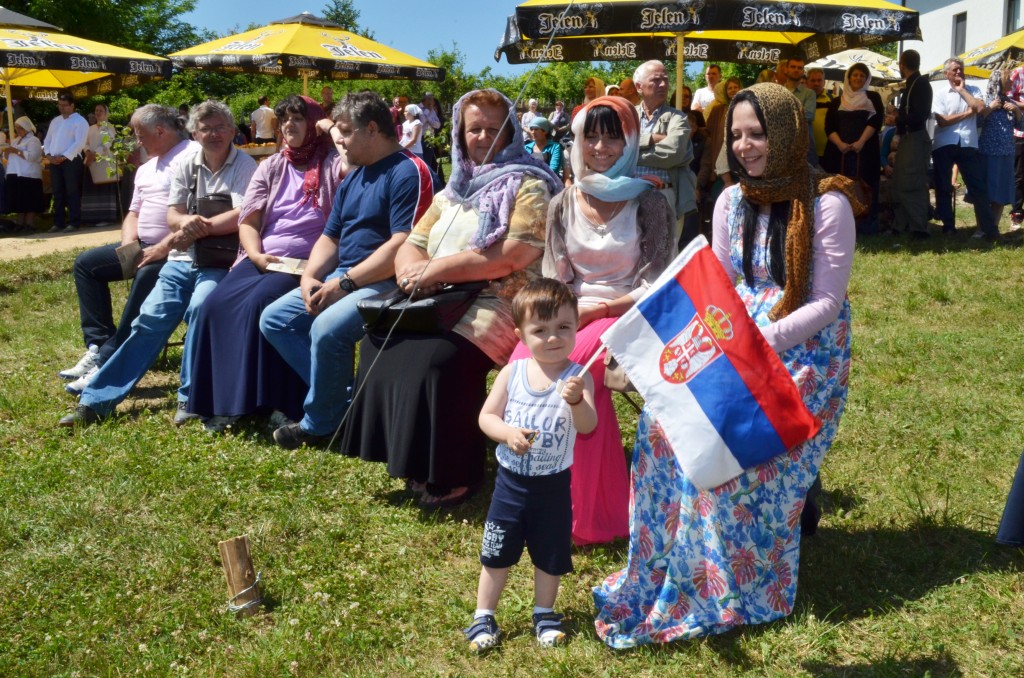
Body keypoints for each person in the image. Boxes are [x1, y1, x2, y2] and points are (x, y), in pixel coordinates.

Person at [594, 82, 861, 647]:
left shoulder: (827, 203)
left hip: (804, 349)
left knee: (731, 451)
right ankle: (667, 568)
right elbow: (716, 283)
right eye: (736, 135)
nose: (744, 146)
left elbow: (825, 303)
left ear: (786, 133)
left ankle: (732, 585)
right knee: (663, 427)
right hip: (732, 334)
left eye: (757, 134)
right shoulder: (731, 200)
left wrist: (756, 342)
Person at [338, 89, 560, 508]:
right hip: (439, 296)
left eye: (494, 129)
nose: (483, 137)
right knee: (379, 343)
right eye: (474, 129)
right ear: (460, 133)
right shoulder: (452, 190)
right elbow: (412, 242)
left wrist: (435, 271)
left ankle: (456, 472)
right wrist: (411, 273)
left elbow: (513, 255)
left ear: (511, 132)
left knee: (440, 359)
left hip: (502, 298)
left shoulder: (529, 184)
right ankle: (414, 459)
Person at [516, 95, 675, 545]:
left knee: (574, 374)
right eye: (592, 136)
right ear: (578, 141)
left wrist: (599, 310)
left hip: (631, 315)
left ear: (630, 143)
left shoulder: (649, 202)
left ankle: (589, 515)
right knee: (523, 360)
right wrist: (565, 317)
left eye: (612, 137)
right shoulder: (563, 202)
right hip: (571, 312)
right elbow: (555, 276)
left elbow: (656, 283)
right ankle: (535, 494)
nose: (601, 147)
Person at [58, 101, 257, 427]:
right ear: (195, 132)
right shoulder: (186, 163)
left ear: (233, 131)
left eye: (221, 127)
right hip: (180, 259)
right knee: (147, 321)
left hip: (219, 262)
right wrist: (187, 223)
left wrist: (200, 226)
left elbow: (244, 214)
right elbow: (173, 214)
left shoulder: (245, 165)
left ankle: (190, 398)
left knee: (201, 309)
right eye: (206, 128)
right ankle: (95, 401)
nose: (214, 134)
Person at [260, 91, 437, 449]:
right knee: (274, 320)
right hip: (344, 277)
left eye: (343, 130)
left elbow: (404, 243)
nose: (337, 139)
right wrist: (310, 276)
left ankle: (320, 425)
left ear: (371, 128)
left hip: (389, 282)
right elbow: (330, 237)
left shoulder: (409, 171)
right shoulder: (355, 177)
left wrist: (343, 283)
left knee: (326, 328)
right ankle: (344, 406)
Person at [186, 96, 348, 433]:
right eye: (284, 119)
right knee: (214, 305)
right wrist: (256, 254)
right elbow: (248, 220)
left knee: (261, 303)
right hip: (265, 257)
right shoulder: (272, 165)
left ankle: (279, 401)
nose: (289, 125)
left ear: (314, 124)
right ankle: (224, 402)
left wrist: (331, 127)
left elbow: (356, 162)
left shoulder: (333, 164)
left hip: (309, 261)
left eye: (298, 118)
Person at [463, 279, 597, 653]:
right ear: (521, 335)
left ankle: (544, 613)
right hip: (510, 485)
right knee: (496, 552)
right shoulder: (513, 373)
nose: (553, 337)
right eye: (540, 330)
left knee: (551, 554)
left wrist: (577, 401)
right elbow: (486, 417)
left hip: (553, 486)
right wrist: (507, 433)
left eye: (563, 327)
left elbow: (589, 426)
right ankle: (483, 615)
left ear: (577, 327)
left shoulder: (578, 377)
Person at [58, 105, 193, 395]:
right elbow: (133, 213)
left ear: (160, 130)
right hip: (143, 245)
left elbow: (196, 216)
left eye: (139, 134)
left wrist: (161, 249)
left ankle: (108, 360)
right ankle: (99, 344)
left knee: (147, 275)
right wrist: (128, 246)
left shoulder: (191, 156)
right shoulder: (146, 168)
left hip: (179, 249)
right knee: (87, 265)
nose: (136, 141)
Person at [932, 58, 1000, 240]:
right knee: (943, 186)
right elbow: (942, 121)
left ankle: (989, 230)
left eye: (960, 69)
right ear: (946, 73)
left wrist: (962, 90)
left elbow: (980, 107)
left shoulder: (973, 90)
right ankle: (948, 226)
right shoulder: (940, 94)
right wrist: (968, 113)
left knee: (978, 187)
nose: (958, 72)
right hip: (944, 142)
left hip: (968, 143)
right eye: (954, 70)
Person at [633, 60, 697, 246]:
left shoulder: (678, 118)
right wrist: (652, 138)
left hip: (665, 194)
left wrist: (633, 155)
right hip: (629, 195)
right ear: (639, 87)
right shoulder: (627, 115)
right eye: (656, 80)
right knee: (631, 253)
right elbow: (618, 146)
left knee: (665, 254)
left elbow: (673, 153)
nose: (663, 84)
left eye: (666, 80)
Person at [823, 63, 884, 233]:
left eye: (862, 76)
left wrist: (861, 142)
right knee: (839, 189)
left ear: (867, 79)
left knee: (865, 188)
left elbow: (876, 121)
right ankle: (839, 225)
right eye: (855, 75)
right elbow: (829, 127)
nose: (858, 78)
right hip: (839, 154)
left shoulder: (873, 98)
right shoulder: (836, 101)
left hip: (865, 153)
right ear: (848, 77)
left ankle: (865, 226)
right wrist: (840, 144)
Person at [892, 49, 933, 239]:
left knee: (912, 182)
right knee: (900, 181)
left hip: (915, 138)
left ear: (902, 64)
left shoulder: (921, 84)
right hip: (909, 138)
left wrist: (896, 119)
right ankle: (901, 225)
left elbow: (920, 115)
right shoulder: (913, 83)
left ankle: (919, 228)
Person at [979, 70, 1022, 229]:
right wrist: (990, 108)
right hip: (988, 153)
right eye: (1008, 80)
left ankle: (994, 228)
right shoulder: (986, 101)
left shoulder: (1009, 102)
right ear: (999, 82)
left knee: (1001, 192)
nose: (1011, 82)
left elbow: (1021, 126)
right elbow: (976, 122)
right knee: (985, 192)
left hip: (1006, 153)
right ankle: (981, 228)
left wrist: (1016, 111)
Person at [43, 91, 89, 233]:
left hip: (71, 160)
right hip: (54, 160)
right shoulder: (55, 121)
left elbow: (79, 143)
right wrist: (49, 155)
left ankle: (74, 222)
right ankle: (59, 222)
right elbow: (47, 140)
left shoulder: (80, 121)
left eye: (65, 105)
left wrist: (64, 157)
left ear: (72, 105)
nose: (62, 108)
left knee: (72, 191)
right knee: (57, 192)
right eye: (60, 105)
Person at [697, 78, 743, 220]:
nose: (733, 90)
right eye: (730, 88)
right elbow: (712, 131)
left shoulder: (747, 107)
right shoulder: (718, 108)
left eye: (735, 87)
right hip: (724, 151)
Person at [1, 115, 44, 232]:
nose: (17, 130)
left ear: (26, 127)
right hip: (15, 173)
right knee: (19, 200)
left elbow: (32, 156)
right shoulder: (16, 141)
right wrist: (7, 152)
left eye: (20, 128)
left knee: (29, 200)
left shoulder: (34, 140)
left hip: (29, 174)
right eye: (16, 128)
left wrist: (16, 151)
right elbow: (8, 157)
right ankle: (20, 223)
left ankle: (30, 223)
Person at [81, 102, 121, 226]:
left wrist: (94, 154)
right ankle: (91, 218)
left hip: (104, 162)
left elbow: (108, 144)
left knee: (104, 188)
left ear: (106, 113)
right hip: (91, 162)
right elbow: (85, 142)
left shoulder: (109, 127)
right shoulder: (91, 128)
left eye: (100, 111)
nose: (98, 113)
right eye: (96, 110)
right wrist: (88, 152)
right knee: (92, 188)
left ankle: (106, 218)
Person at [807, 67, 832, 163]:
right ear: (807, 82)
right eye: (813, 80)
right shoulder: (801, 99)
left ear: (824, 82)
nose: (816, 83)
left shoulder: (833, 100)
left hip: (828, 151)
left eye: (819, 80)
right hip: (806, 151)